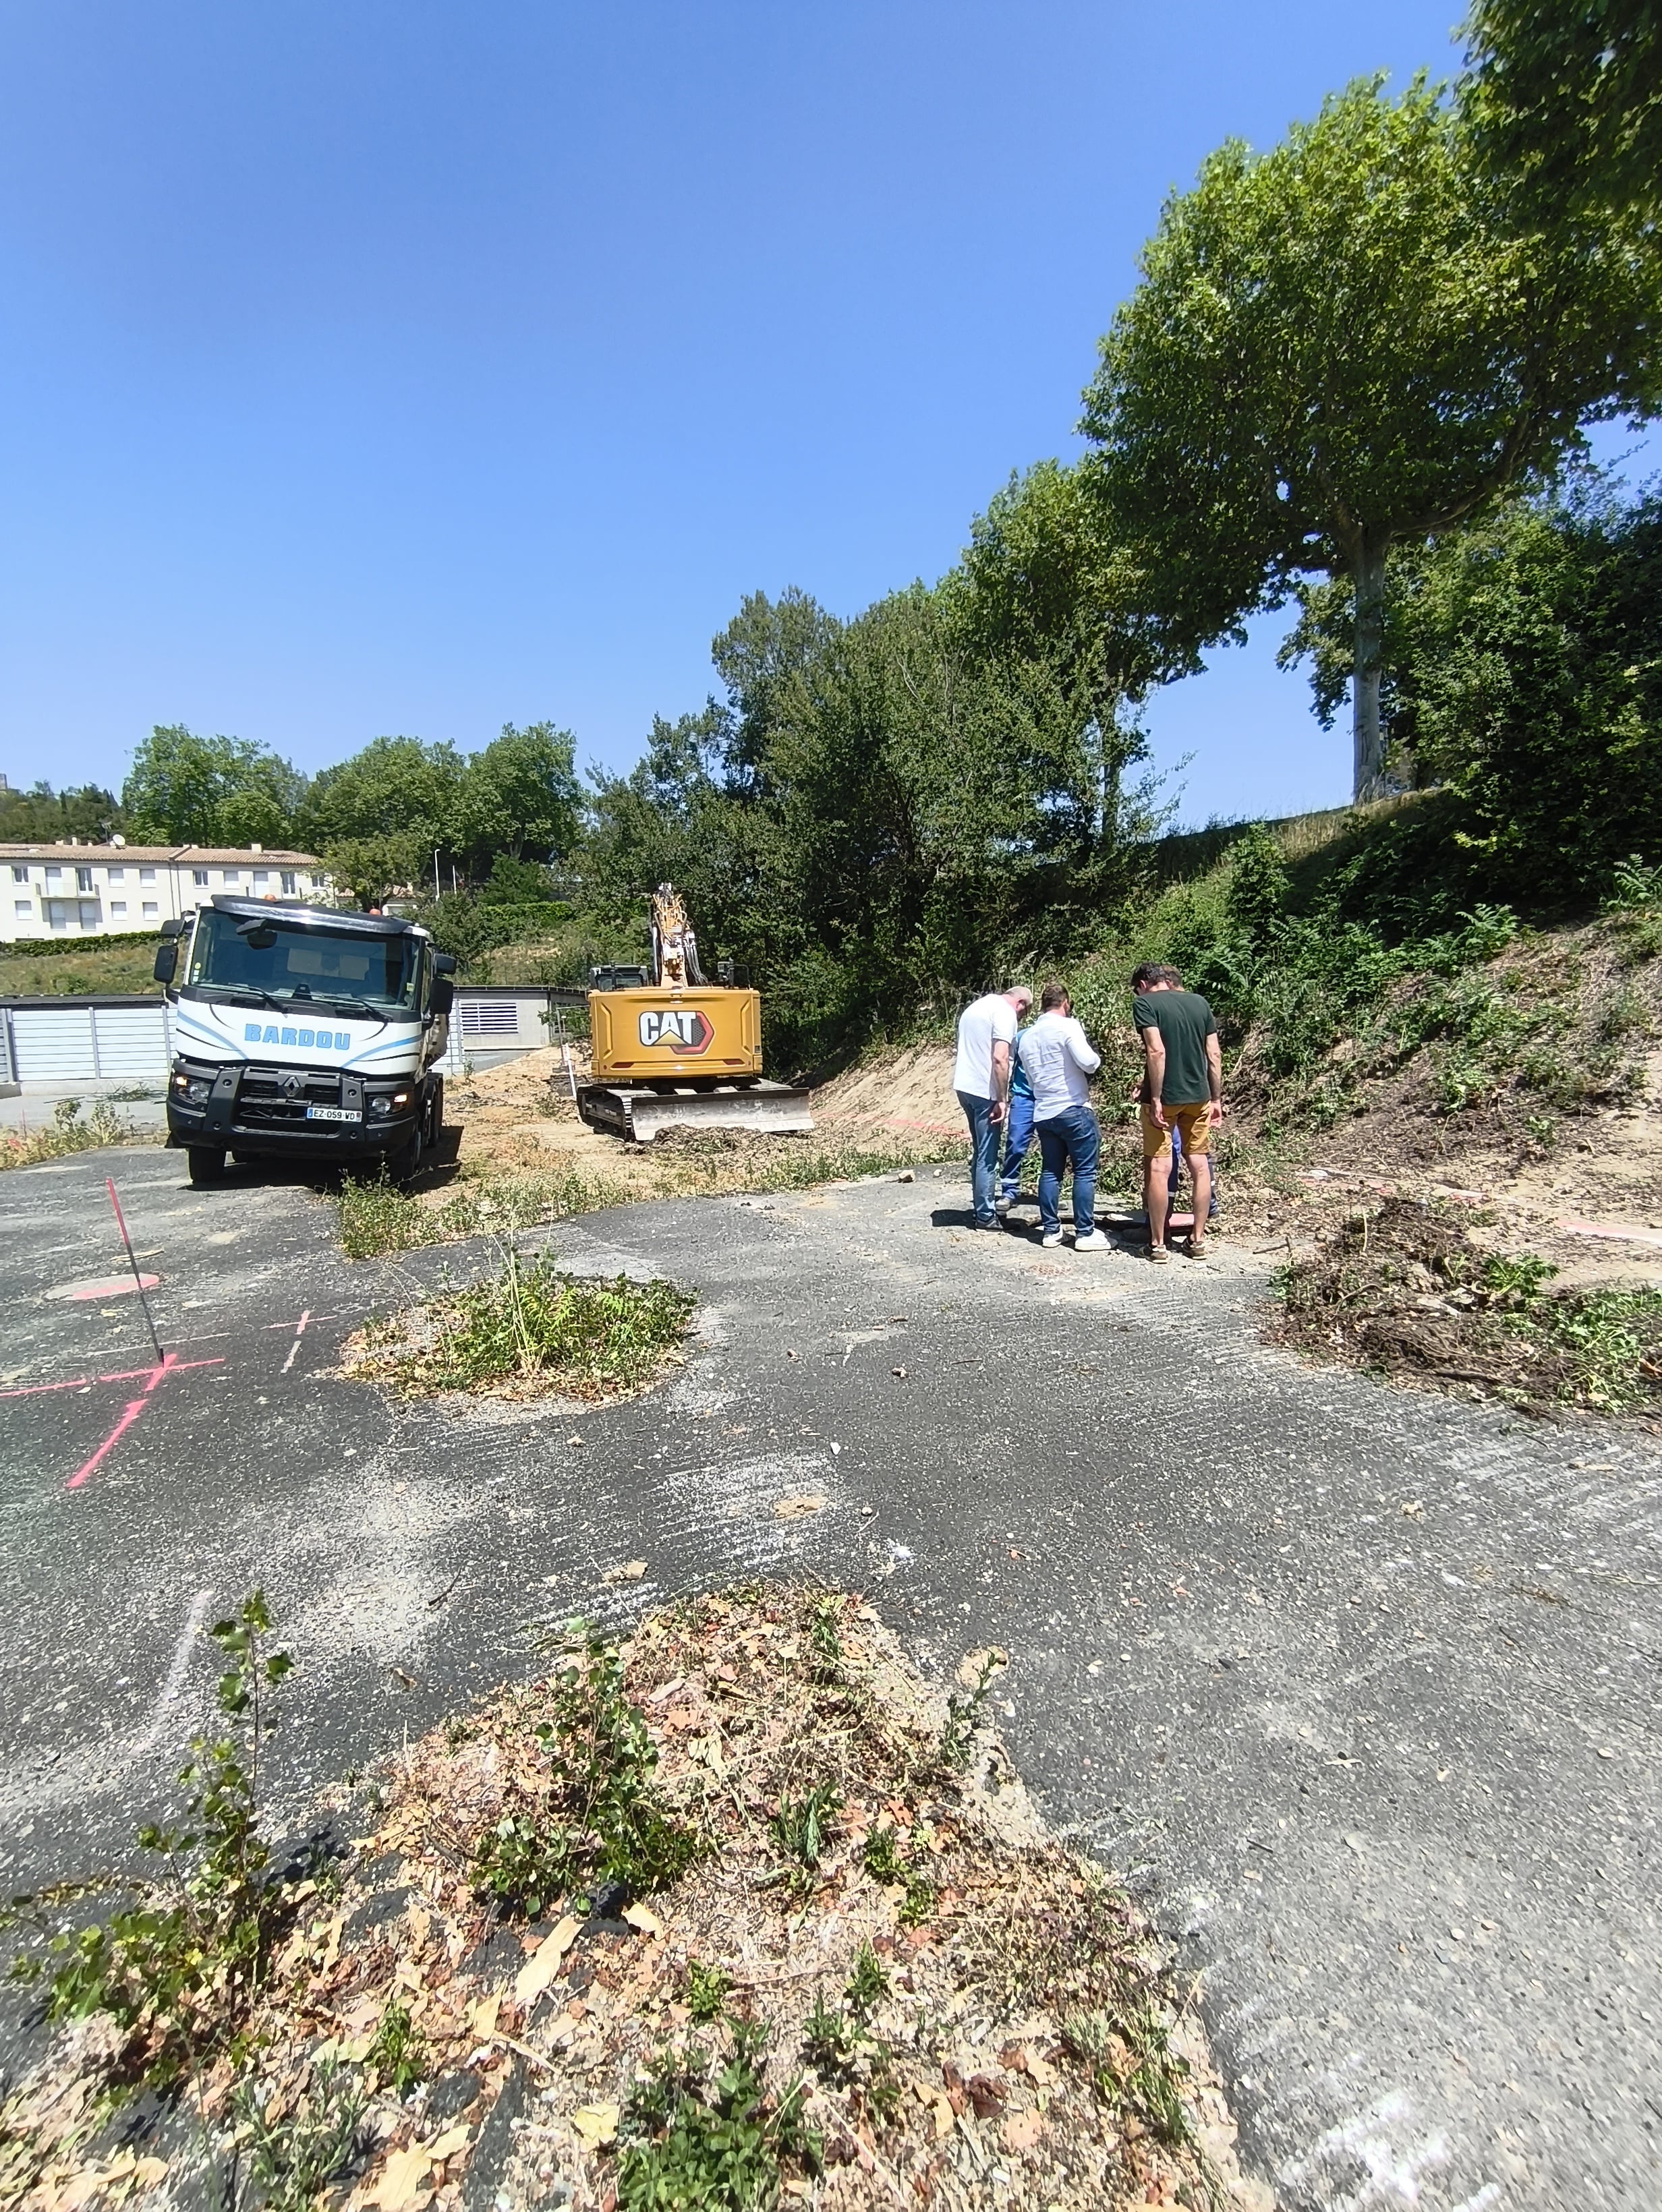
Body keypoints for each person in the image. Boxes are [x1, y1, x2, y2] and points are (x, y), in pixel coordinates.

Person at [1131, 962, 1222, 1262]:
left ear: (1144, 984)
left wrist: (1155, 1096)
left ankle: (1157, 1245)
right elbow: (1214, 1054)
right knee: (1199, 1165)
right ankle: (1197, 1240)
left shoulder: (1145, 1004)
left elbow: (1156, 1050)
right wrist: (1216, 1097)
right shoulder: (1199, 1003)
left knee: (1159, 1168)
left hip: (1166, 1098)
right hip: (1199, 1097)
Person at [1017, 980, 1107, 1250]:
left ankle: (1051, 1231)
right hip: (1073, 1108)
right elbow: (1088, 1063)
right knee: (1084, 1172)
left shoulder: (1026, 1038)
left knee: (1050, 1171)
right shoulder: (1068, 1026)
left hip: (1044, 1112)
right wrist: (1097, 1059)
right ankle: (1085, 1233)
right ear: (1065, 1004)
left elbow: (1031, 1082)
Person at [953, 983, 1033, 1228]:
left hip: (964, 1086)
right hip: (984, 1091)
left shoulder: (977, 1007)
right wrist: (1001, 1098)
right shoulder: (1005, 1014)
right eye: (1024, 1013)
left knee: (979, 1152)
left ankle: (981, 1207)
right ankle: (986, 1216)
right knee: (988, 1156)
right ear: (1020, 1003)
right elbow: (1000, 1058)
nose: (1020, 1018)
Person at [994, 1018, 1037, 1216]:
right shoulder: (1023, 1036)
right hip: (1024, 1097)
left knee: (1055, 1148)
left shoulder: (1062, 1035)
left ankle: (1050, 1195)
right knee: (1016, 1143)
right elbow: (1009, 1063)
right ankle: (1009, 1191)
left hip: (1050, 1098)